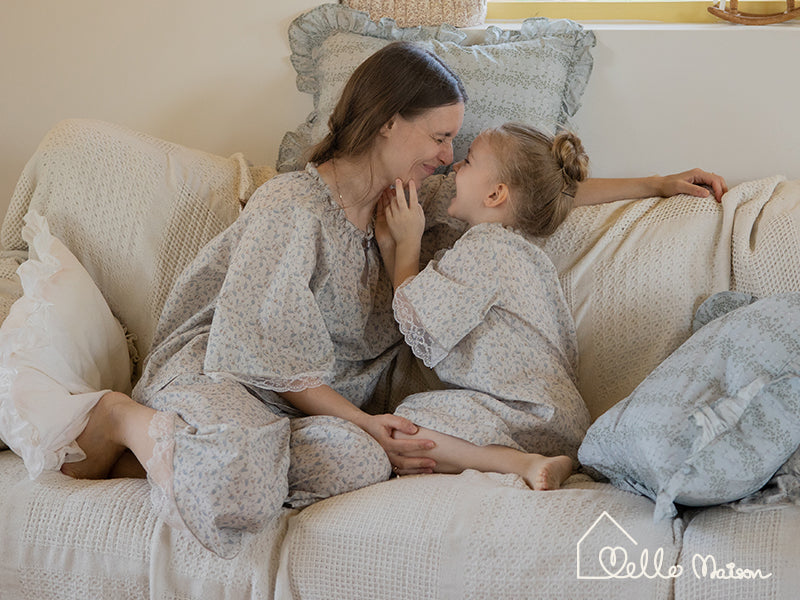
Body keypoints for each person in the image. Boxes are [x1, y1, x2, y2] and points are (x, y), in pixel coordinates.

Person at [60, 40, 727, 557]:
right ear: (386, 123)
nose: (447, 156)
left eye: (454, 146)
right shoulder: (292, 206)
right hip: (227, 372)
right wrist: (358, 417)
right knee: (239, 481)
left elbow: (526, 190)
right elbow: (260, 350)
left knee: (364, 457)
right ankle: (124, 419)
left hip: (310, 403)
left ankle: (185, 453)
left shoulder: (411, 202)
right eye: (439, 138)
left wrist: (657, 182)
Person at [376, 123, 592, 490]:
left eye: (469, 161)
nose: (456, 165)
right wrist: (389, 243)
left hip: (524, 415)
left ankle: (520, 463)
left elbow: (418, 322)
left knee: (403, 422)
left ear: (495, 194)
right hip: (564, 423)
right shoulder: (522, 254)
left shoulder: (483, 249)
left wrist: (408, 242)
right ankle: (543, 460)